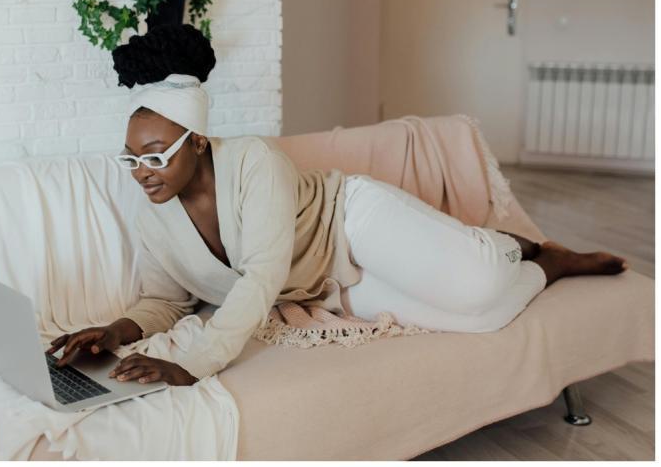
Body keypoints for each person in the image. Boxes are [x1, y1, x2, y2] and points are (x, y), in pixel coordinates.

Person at [47, 23, 628, 387]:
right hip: (327, 283)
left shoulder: (254, 161)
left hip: (354, 221)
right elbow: (165, 301)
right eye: (130, 159)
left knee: (476, 286)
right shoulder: (155, 210)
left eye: (154, 155)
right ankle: (548, 264)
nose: (140, 173)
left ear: (197, 141)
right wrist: (116, 331)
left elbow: (264, 273)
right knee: (480, 318)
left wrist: (195, 364)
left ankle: (512, 245)